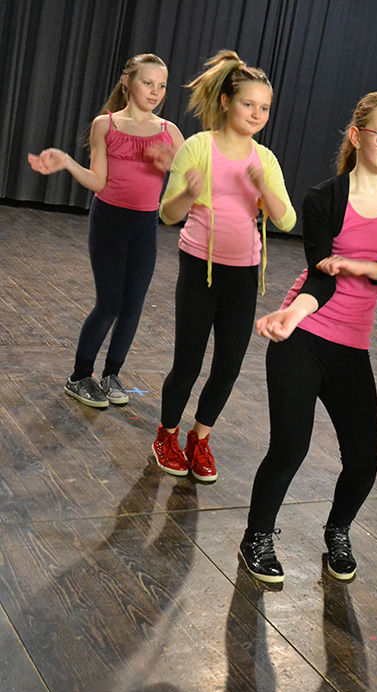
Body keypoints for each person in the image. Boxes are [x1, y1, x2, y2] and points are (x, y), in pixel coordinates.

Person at [239, 91, 377, 584]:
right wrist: (292, 315)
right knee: (290, 448)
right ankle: (256, 536)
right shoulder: (324, 198)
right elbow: (320, 276)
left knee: (365, 460)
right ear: (358, 135)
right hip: (304, 333)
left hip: (352, 346)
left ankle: (337, 530)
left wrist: (364, 266)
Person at [151, 50, 295, 484]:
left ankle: (200, 437)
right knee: (188, 363)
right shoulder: (198, 147)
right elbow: (168, 214)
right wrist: (187, 191)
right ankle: (167, 435)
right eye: (249, 104)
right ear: (227, 101)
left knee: (229, 365)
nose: (256, 114)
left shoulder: (265, 159)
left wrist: (264, 190)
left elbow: (287, 220)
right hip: (200, 267)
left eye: (264, 108)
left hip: (243, 273)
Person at [28, 54, 184, 408]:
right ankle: (79, 376)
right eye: (148, 83)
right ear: (128, 82)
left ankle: (111, 373)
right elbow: (99, 181)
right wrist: (67, 162)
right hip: (109, 221)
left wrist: (174, 165)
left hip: (145, 225)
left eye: (162, 85)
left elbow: (195, 179)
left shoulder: (170, 131)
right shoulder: (106, 124)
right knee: (110, 302)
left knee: (133, 305)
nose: (155, 91)